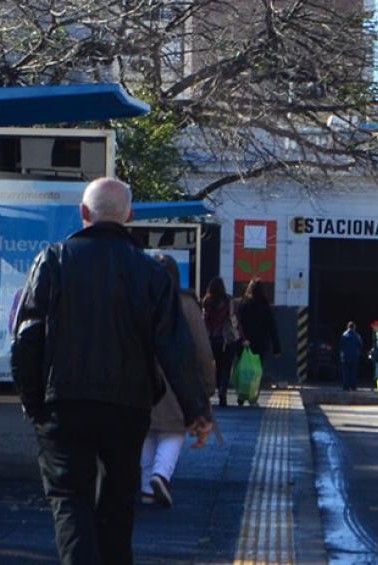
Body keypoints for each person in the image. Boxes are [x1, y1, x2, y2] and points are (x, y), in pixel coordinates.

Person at [9, 177, 213, 564]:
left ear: (83, 213)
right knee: (118, 505)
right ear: (130, 217)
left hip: (64, 402)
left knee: (70, 499)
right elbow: (175, 347)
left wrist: (36, 404)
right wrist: (196, 410)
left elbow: (27, 339)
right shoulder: (151, 273)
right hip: (128, 406)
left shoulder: (53, 260)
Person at [141, 255, 216, 508]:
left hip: (142, 378)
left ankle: (146, 486)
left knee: (148, 430)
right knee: (174, 429)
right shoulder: (186, 303)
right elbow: (203, 351)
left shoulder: (139, 298)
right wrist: (207, 385)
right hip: (177, 379)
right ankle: (161, 475)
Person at [236, 278, 281, 401]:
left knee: (243, 369)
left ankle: (242, 393)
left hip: (244, 342)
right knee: (257, 371)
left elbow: (237, 323)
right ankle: (253, 394)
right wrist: (276, 348)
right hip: (261, 343)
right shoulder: (265, 305)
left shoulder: (242, 304)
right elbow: (272, 326)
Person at [201, 277, 239, 407]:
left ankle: (216, 388)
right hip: (227, 339)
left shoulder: (207, 301)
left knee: (214, 366)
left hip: (212, 339)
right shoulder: (229, 301)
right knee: (226, 367)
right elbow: (234, 320)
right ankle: (223, 390)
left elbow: (205, 320)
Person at [339, 321, 364, 391]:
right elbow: (361, 345)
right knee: (354, 372)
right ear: (354, 327)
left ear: (348, 327)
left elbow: (341, 345)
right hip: (354, 357)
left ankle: (345, 386)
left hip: (345, 357)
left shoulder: (344, 335)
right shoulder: (357, 336)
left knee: (345, 373)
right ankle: (353, 386)